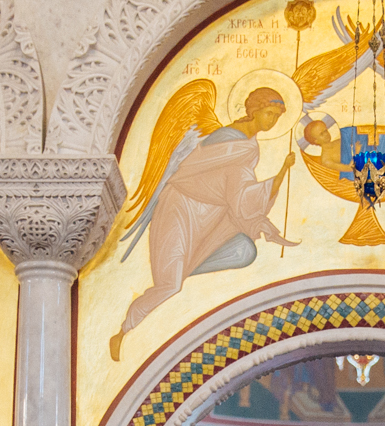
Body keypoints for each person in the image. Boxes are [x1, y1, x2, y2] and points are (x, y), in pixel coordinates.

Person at [111, 85, 299, 360]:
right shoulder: (228, 139)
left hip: (211, 216)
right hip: (182, 207)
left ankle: (183, 268)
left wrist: (261, 212)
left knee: (244, 251)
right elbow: (231, 189)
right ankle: (124, 331)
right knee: (170, 284)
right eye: (269, 113)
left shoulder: (249, 147)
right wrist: (280, 175)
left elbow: (237, 195)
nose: (272, 121)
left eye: (277, 117)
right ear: (254, 110)